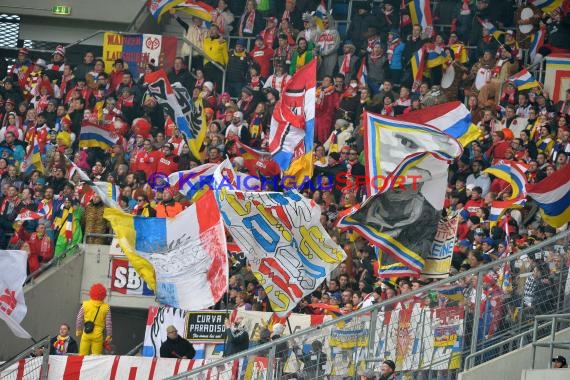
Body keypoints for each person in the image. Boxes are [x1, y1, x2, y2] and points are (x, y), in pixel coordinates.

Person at [75, 283, 112, 355]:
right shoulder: (106, 307)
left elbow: (79, 318)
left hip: (86, 333)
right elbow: (108, 323)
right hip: (98, 336)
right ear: (103, 295)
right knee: (96, 357)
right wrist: (109, 335)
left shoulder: (85, 304)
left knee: (82, 355)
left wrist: (78, 330)